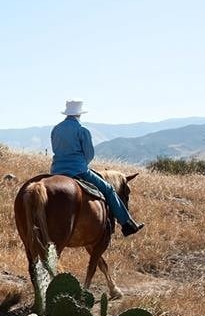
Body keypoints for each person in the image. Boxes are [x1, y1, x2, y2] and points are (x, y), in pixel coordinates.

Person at [50, 99, 145, 236]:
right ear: (79, 114)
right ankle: (127, 224)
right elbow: (89, 154)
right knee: (109, 189)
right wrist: (82, 163)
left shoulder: (56, 129)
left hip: (56, 171)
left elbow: (55, 149)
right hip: (78, 170)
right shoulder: (82, 130)